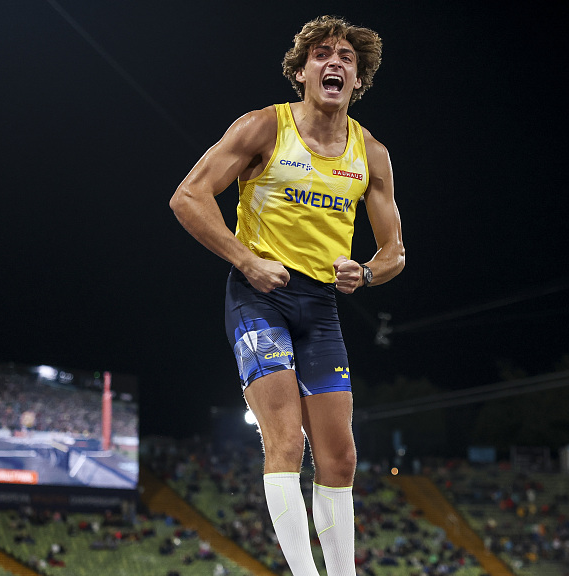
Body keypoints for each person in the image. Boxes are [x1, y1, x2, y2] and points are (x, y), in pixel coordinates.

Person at [169, 15, 404, 576]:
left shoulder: (370, 154)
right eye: (322, 54)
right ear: (301, 72)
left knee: (341, 456)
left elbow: (395, 252)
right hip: (259, 298)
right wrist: (246, 259)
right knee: (286, 441)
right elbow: (188, 197)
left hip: (320, 307)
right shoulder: (264, 129)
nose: (335, 63)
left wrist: (366, 275)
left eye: (347, 58)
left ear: (359, 81)